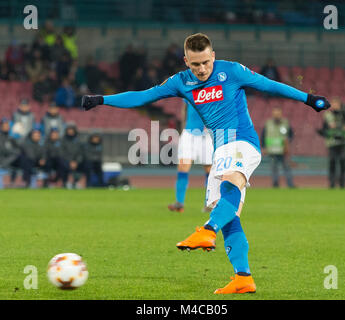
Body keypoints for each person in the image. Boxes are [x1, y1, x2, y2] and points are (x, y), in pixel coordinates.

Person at [81, 33, 330, 294]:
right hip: (219, 147)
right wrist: (101, 100)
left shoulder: (232, 71)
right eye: (195, 64)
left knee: (231, 182)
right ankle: (243, 278)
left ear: (213, 55)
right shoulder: (180, 81)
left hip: (242, 141)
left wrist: (309, 99)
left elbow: (270, 85)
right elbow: (143, 97)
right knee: (227, 213)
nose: (201, 69)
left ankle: (207, 230)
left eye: (205, 62)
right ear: (186, 60)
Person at [168, 99, 213, 213]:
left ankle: (209, 203)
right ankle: (179, 203)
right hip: (190, 132)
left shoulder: (214, 87)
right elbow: (184, 108)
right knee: (183, 166)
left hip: (208, 134)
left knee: (210, 169)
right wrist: (184, 127)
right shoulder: (190, 86)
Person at [320, 97, 345, 188]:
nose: (334, 106)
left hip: (343, 142)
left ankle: (343, 184)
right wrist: (328, 130)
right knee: (332, 162)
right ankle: (332, 183)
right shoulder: (327, 115)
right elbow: (324, 129)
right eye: (333, 104)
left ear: (339, 105)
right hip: (332, 142)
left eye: (336, 104)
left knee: (343, 162)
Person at [261, 106, 295, 188]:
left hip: (283, 150)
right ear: (272, 114)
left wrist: (287, 143)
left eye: (278, 113)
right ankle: (275, 184)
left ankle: (290, 184)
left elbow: (291, 134)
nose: (276, 115)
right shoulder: (268, 123)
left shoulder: (285, 123)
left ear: (281, 114)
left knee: (287, 167)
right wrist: (264, 147)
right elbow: (263, 135)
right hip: (272, 150)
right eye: (275, 113)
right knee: (274, 168)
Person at [61, 123, 84, 188]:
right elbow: (62, 153)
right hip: (67, 160)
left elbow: (80, 153)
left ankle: (76, 182)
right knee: (62, 164)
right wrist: (70, 161)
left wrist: (76, 161)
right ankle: (66, 182)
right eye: (69, 130)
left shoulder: (78, 140)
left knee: (84, 164)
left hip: (76, 161)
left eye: (72, 130)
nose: (70, 131)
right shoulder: (63, 140)